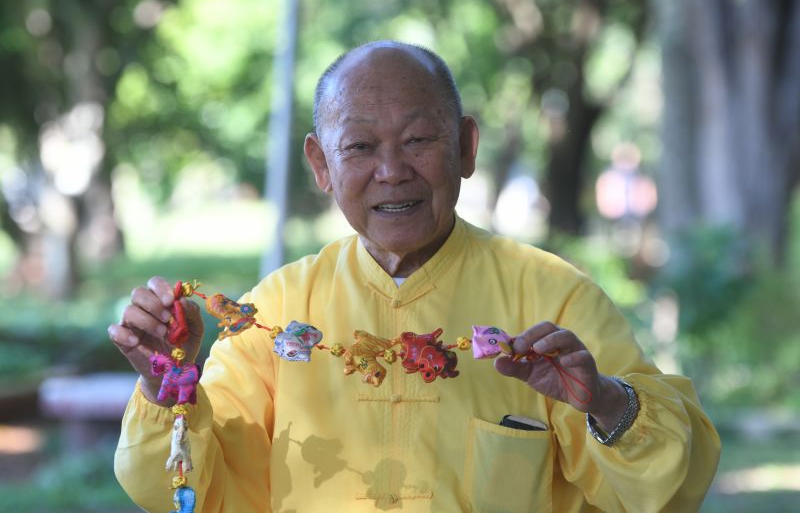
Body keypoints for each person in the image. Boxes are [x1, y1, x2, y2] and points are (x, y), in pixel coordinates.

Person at [109, 41, 720, 512]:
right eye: (360, 147)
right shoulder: (277, 308)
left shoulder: (551, 297)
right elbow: (187, 491)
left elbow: (673, 485)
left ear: (466, 148)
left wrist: (607, 403)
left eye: (420, 139)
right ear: (321, 164)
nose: (392, 171)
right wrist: (169, 386)